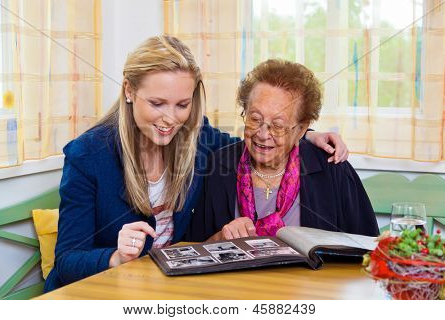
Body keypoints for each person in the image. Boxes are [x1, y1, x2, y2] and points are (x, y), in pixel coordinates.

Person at [44, 36, 349, 292]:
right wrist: (115, 257)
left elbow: (252, 142)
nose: (170, 119)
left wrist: (304, 133)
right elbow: (68, 260)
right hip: (99, 293)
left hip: (164, 291)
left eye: (182, 104)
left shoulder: (195, 135)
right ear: (128, 90)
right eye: (157, 103)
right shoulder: (88, 155)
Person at [186, 59, 379, 242]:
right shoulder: (219, 166)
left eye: (278, 125)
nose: (262, 134)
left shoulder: (332, 168)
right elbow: (192, 250)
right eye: (254, 118)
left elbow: (368, 250)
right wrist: (219, 239)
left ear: (302, 129)